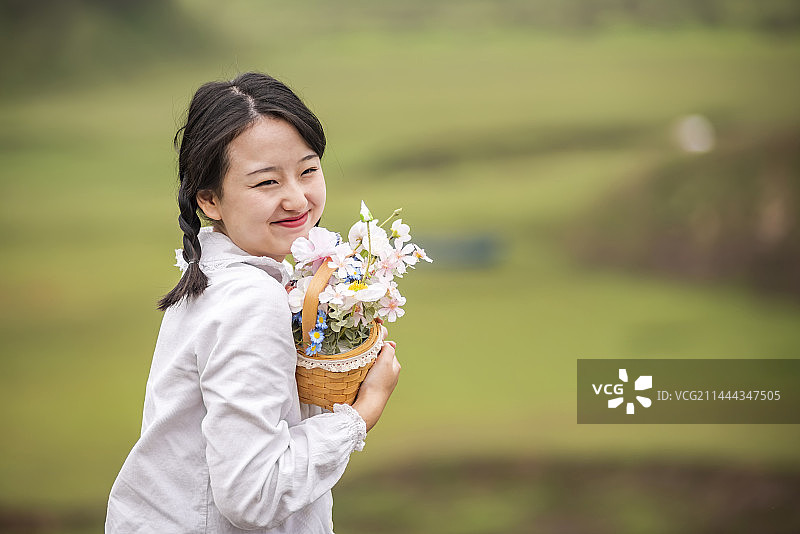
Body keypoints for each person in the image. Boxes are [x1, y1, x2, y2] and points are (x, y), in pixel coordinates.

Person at [106, 72, 401, 533]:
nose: (297, 198)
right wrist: (362, 412)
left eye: (307, 170)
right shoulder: (250, 300)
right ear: (210, 200)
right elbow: (253, 494)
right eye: (266, 183)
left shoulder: (218, 278)